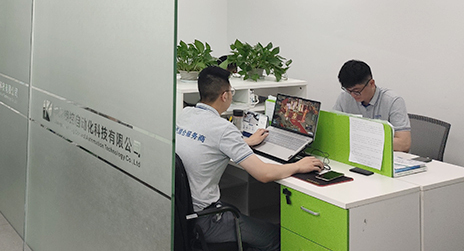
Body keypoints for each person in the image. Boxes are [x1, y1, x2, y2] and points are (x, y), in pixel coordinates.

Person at [176, 66, 323, 251]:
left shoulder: (186, 114)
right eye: (231, 92)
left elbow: (207, 144)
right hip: (206, 221)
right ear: (224, 96)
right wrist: (298, 166)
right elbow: (263, 174)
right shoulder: (223, 129)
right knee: (278, 237)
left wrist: (245, 142)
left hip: (182, 212)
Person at [332, 60, 411, 152]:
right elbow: (333, 130)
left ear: (371, 83)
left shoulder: (393, 101)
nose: (353, 95)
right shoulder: (345, 97)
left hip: (384, 155)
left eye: (357, 91)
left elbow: (404, 144)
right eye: (349, 91)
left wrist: (364, 141)